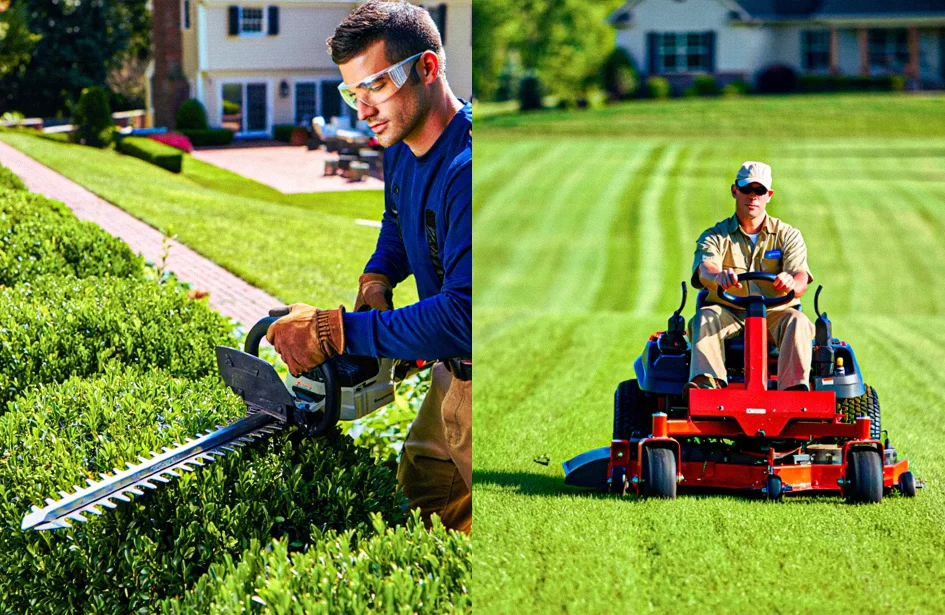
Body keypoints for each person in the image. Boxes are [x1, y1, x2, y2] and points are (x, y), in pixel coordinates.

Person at [265, 0, 472, 534]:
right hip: (452, 375)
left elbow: (463, 316)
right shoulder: (400, 145)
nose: (363, 109)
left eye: (376, 86)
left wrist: (334, 331)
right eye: (352, 93)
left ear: (427, 68)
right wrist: (377, 278)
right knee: (422, 498)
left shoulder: (469, 168)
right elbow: (398, 223)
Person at [686, 161, 815, 393]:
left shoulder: (788, 235)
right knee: (704, 316)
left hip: (775, 312)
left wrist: (791, 283)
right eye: (747, 189)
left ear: (769, 194)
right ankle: (706, 385)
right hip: (728, 311)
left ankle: (795, 390)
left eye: (760, 191)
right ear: (735, 190)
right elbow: (705, 269)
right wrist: (719, 278)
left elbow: (801, 277)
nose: (753, 196)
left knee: (798, 321)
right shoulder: (715, 235)